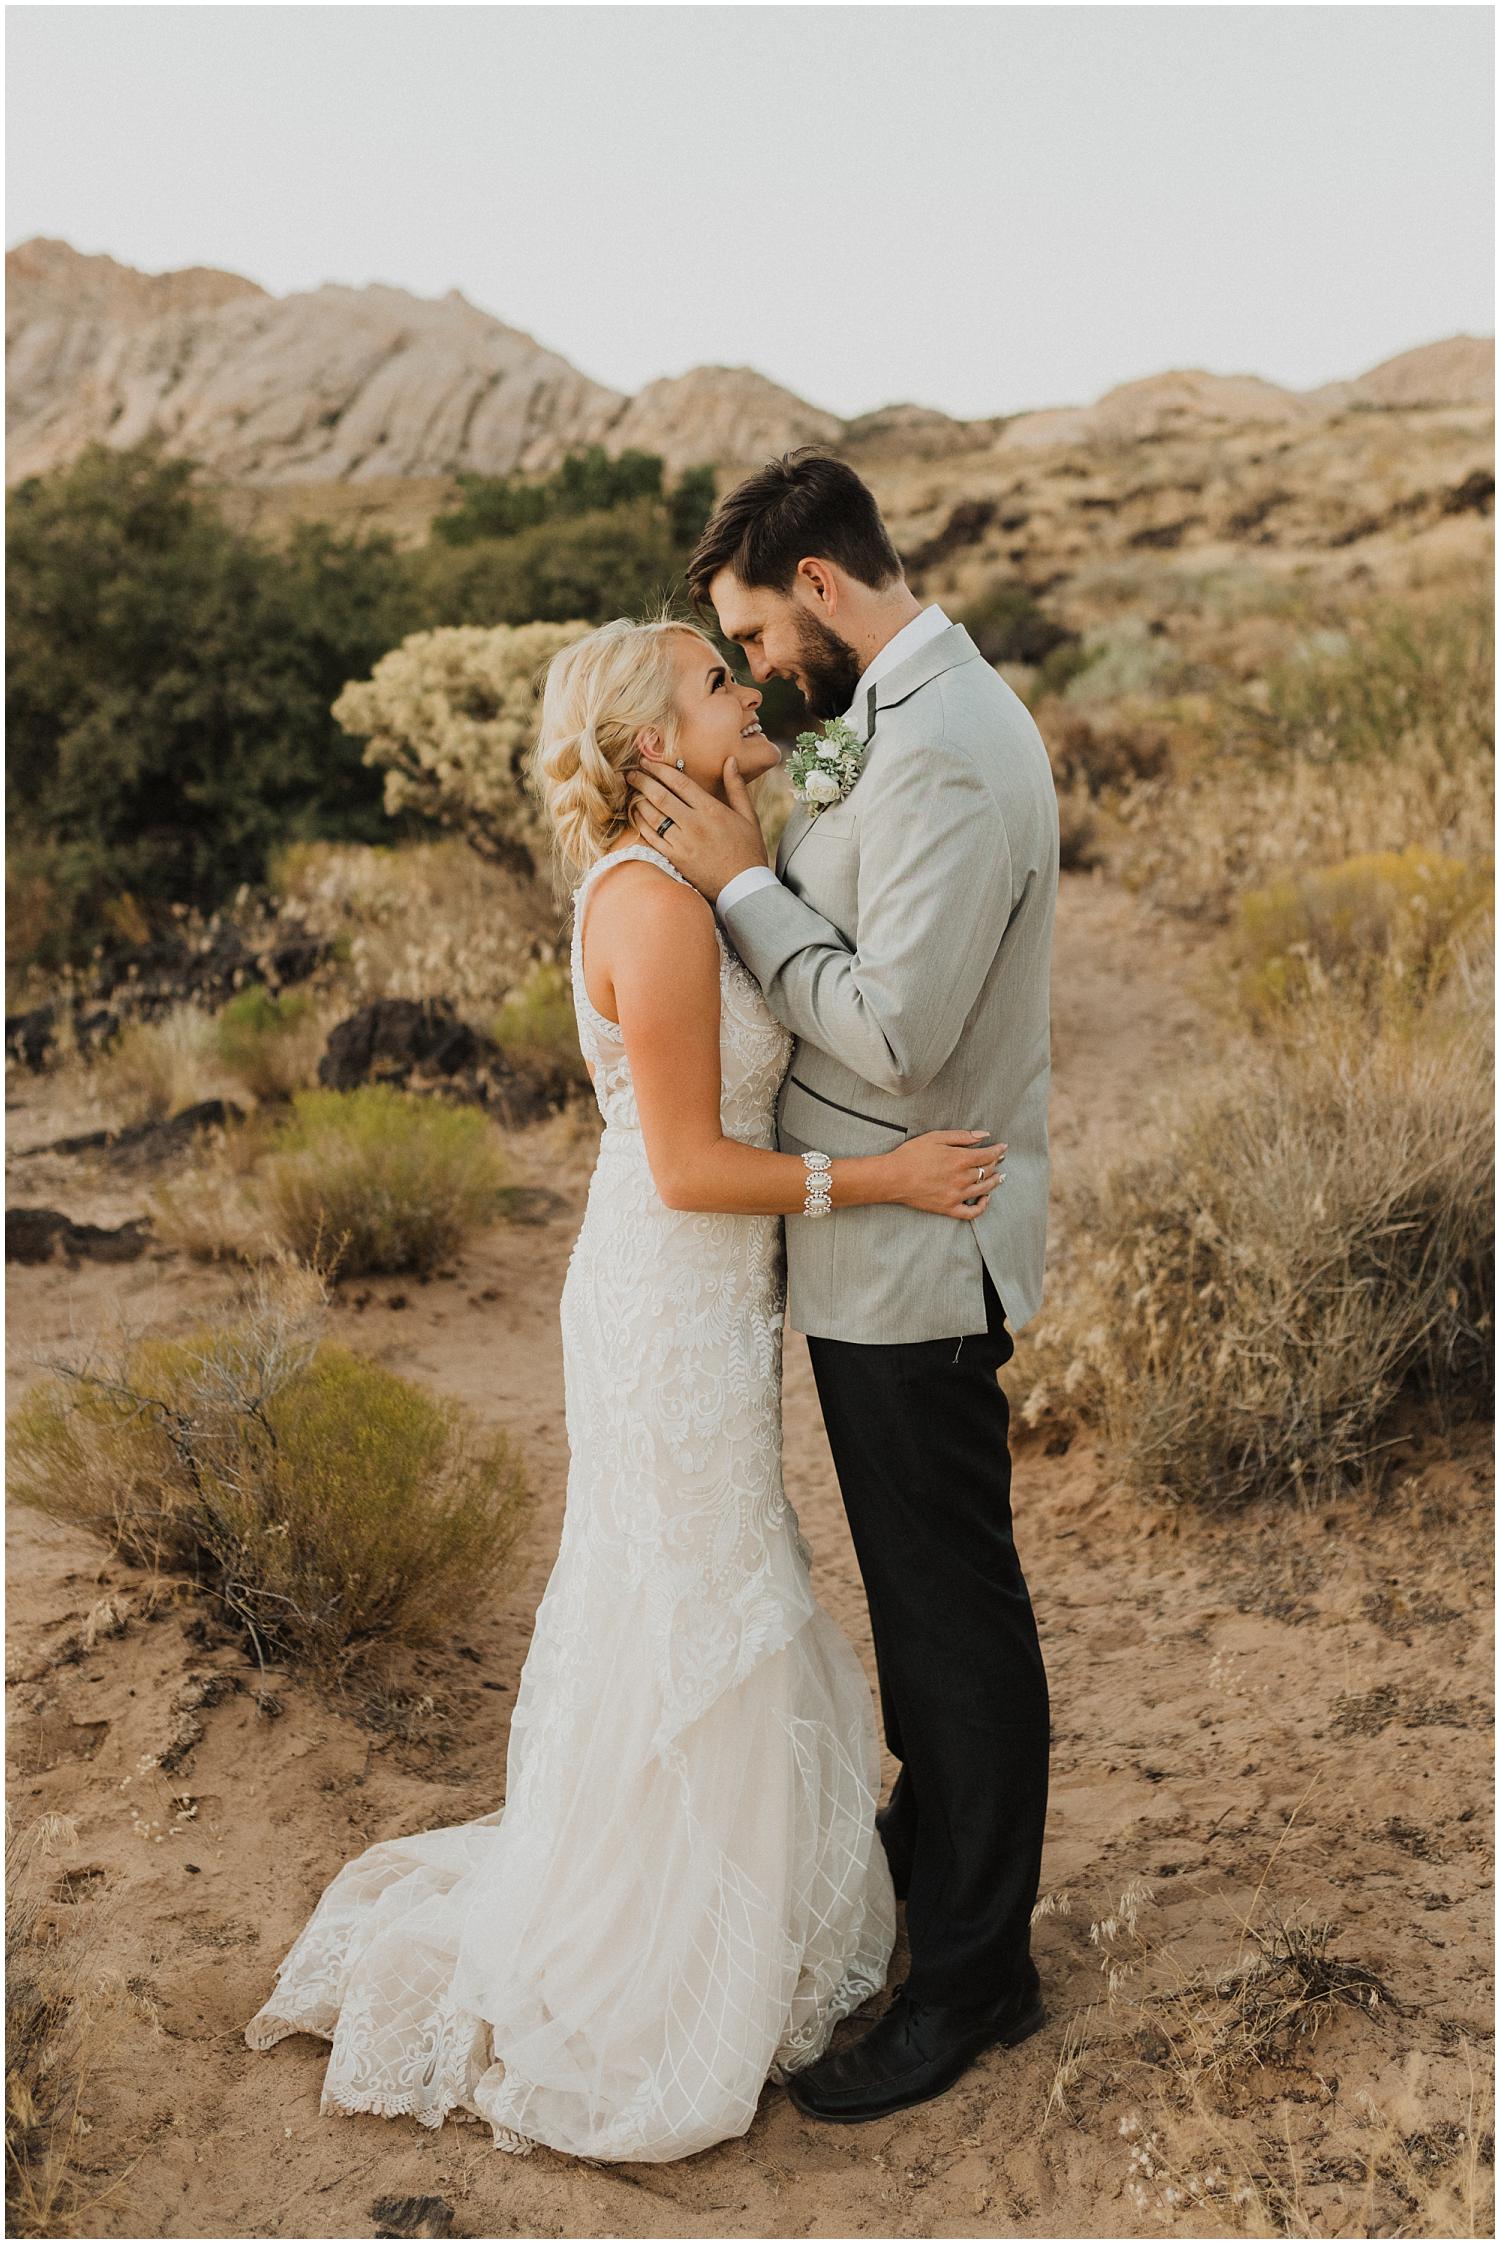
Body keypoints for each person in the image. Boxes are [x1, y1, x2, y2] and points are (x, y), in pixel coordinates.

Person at [243, 612, 1007, 2162]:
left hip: (707, 1299)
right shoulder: (651, 910)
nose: (749, 689)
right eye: (718, 680)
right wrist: (888, 1182)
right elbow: (685, 1163)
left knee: (706, 1586)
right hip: (671, 1295)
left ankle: (724, 1922)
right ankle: (649, 1976)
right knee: (694, 1602)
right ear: (652, 741)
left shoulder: (694, 873)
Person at [625, 449, 1058, 2124]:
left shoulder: (944, 754)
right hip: (872, 1250)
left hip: (917, 1254)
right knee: (923, 1594)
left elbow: (896, 1031)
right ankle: (940, 1867)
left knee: (952, 1615)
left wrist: (737, 882)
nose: (752, 673)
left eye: (750, 631)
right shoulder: (895, 709)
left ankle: (975, 1981)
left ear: (817, 585)